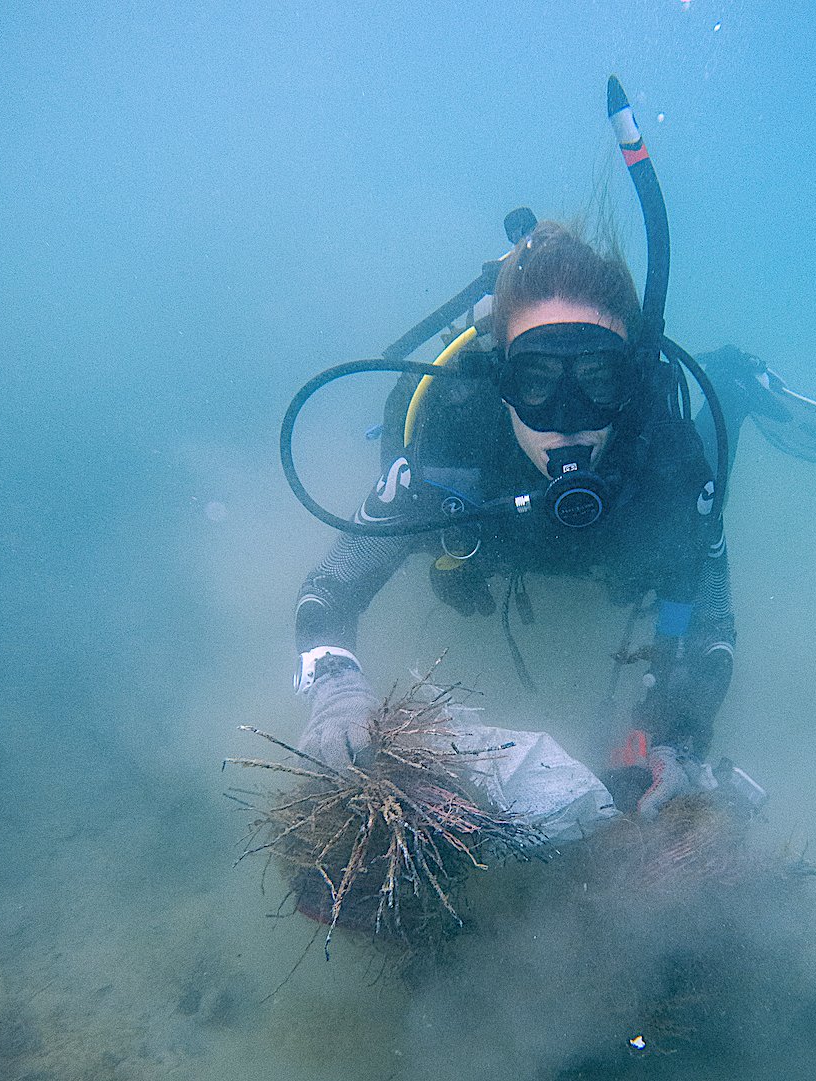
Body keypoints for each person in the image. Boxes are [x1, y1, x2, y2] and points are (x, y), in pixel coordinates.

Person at [292, 221, 736, 820]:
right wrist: (337, 688)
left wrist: (677, 736)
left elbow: (707, 615)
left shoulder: (668, 466)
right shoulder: (446, 455)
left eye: (598, 379)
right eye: (535, 381)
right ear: (499, 381)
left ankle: (735, 380)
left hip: (622, 550)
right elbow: (330, 589)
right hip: (492, 542)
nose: (568, 419)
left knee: (716, 438)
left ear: (629, 383)